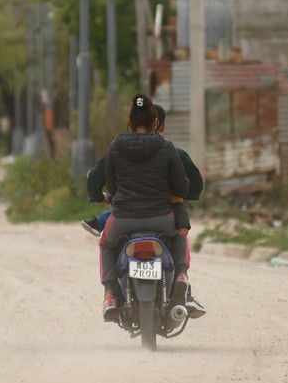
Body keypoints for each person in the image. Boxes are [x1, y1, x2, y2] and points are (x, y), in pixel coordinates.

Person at [84, 104, 206, 318]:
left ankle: (111, 293)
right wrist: (181, 197)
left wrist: (107, 197)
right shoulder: (171, 151)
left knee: (107, 242)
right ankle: (182, 280)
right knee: (179, 232)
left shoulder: (117, 148)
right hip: (162, 216)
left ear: (129, 123)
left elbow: (98, 179)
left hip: (124, 217)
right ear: (160, 125)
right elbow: (192, 185)